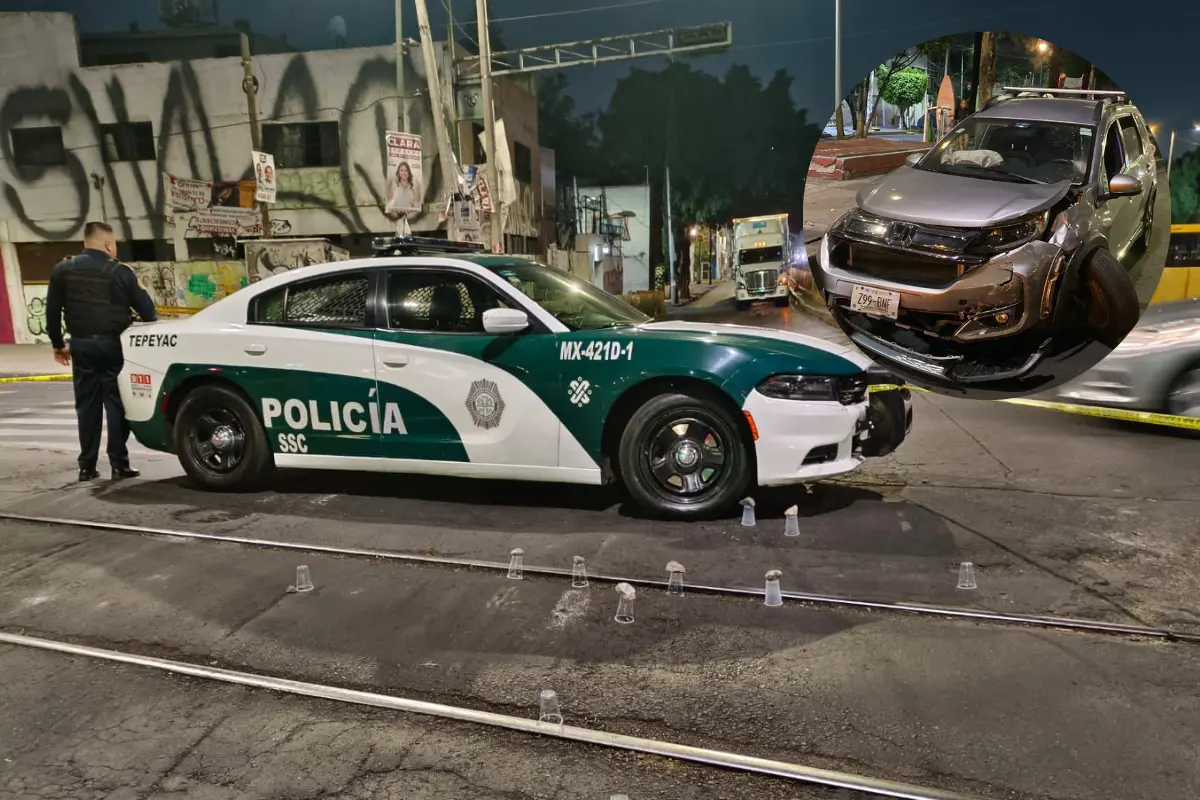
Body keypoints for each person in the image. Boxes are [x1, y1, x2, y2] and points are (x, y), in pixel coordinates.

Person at [45, 221, 158, 482]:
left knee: (87, 406)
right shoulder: (120, 272)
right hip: (113, 347)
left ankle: (87, 466)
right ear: (108, 244)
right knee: (115, 405)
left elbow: (52, 311)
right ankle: (119, 465)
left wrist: (58, 344)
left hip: (81, 346)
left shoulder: (63, 269)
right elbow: (148, 312)